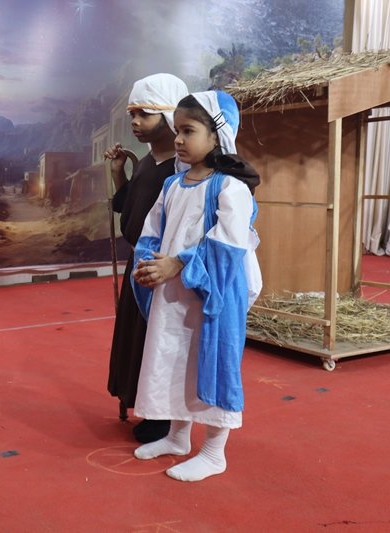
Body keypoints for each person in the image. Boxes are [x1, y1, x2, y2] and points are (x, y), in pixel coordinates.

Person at [130, 90, 261, 481]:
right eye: (177, 131)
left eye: (189, 131)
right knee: (176, 362)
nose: (179, 140)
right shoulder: (172, 185)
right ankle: (177, 437)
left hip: (211, 297)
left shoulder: (230, 188)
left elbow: (227, 245)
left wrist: (176, 263)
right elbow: (151, 232)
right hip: (172, 297)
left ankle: (214, 452)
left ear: (217, 135)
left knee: (212, 365)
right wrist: (148, 264)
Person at [105, 73, 188, 444]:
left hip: (162, 269)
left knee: (158, 341)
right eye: (132, 114)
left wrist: (171, 263)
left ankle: (161, 416)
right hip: (138, 266)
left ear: (168, 116)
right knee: (136, 338)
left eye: (144, 114)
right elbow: (128, 210)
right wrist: (118, 173)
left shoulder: (182, 170)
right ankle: (139, 401)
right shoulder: (145, 162)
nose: (135, 122)